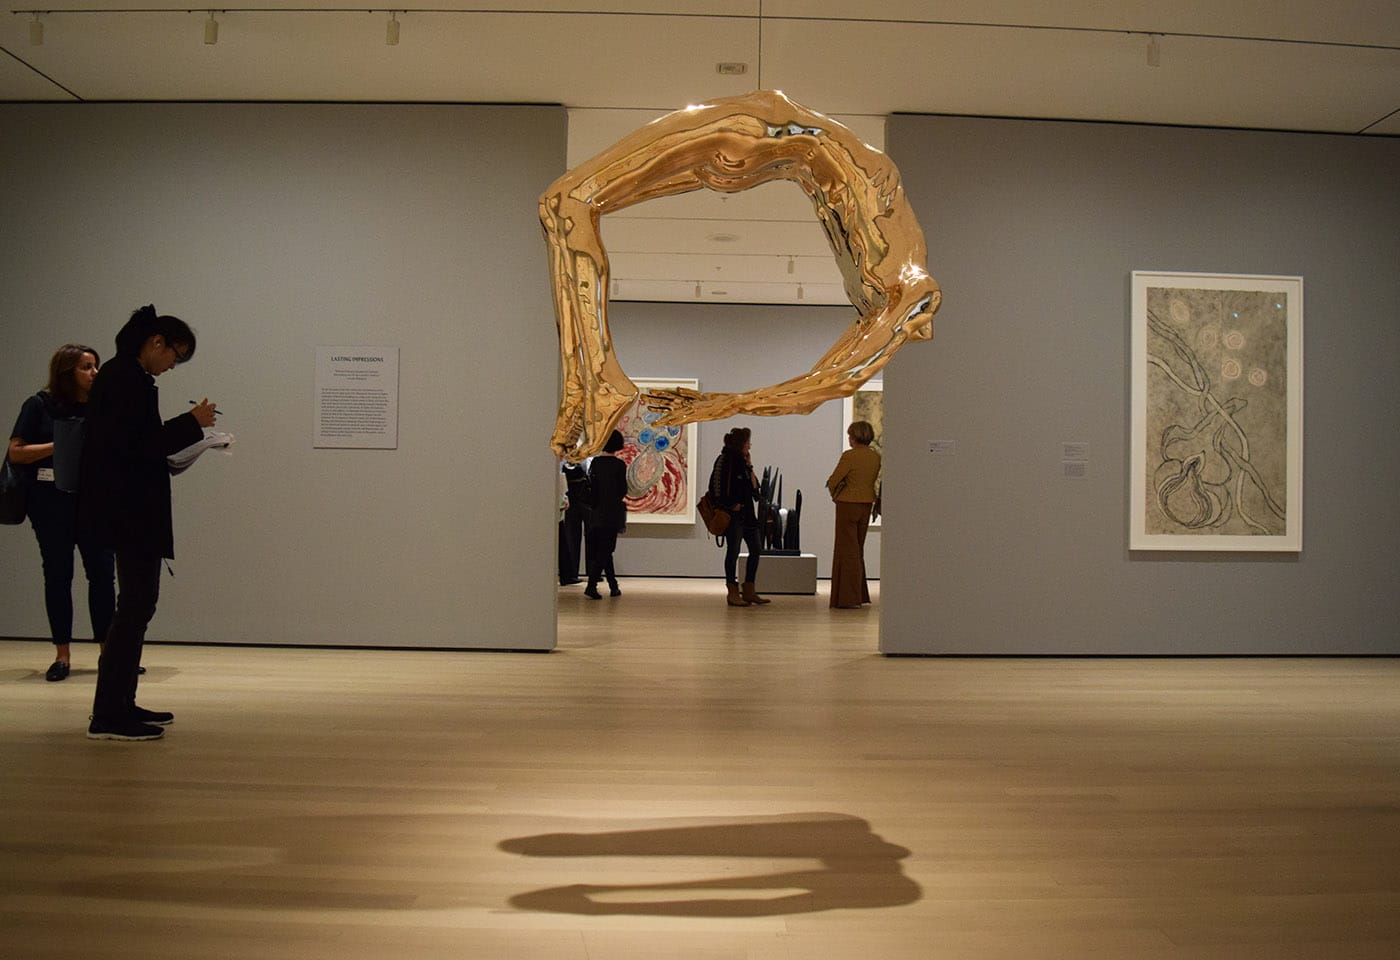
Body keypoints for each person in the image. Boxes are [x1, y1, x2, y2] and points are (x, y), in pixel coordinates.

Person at [78, 305, 217, 741]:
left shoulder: (131, 379)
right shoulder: (125, 379)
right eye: (175, 355)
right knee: (134, 608)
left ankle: (122, 703)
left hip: (132, 512)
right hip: (129, 514)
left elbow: (137, 444)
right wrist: (191, 425)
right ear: (156, 342)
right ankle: (108, 715)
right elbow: (138, 445)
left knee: (138, 608)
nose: (173, 366)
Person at [8, 344, 116, 682]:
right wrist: (61, 444)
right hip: (50, 501)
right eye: (86, 367)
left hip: (93, 501)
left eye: (95, 366)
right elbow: (16, 453)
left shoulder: (102, 407)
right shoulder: (39, 405)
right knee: (58, 576)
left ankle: (109, 654)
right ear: (67, 372)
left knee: (102, 575)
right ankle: (62, 655)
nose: (94, 373)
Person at [710, 426, 769, 607]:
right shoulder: (723, 461)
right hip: (733, 516)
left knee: (756, 549)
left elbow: (755, 490)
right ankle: (732, 591)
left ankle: (749, 589)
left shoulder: (743, 463)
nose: (749, 447)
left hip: (748, 515)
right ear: (740, 444)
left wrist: (750, 465)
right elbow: (715, 488)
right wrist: (729, 506)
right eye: (747, 443)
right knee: (733, 551)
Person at [826, 420, 882, 609]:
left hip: (847, 505)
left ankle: (847, 598)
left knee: (846, 551)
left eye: (850, 436)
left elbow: (834, 480)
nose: (849, 439)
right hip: (866, 504)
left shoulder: (849, 456)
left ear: (855, 437)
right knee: (857, 550)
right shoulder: (875, 457)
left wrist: (835, 495)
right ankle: (858, 594)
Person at [583, 430, 627, 600]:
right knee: (606, 549)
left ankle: (613, 586)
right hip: (612, 512)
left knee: (604, 550)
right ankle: (591, 585)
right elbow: (622, 490)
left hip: (596, 511)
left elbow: (591, 488)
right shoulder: (619, 465)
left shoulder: (595, 463)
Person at [558, 461, 590, 585]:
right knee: (573, 537)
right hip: (580, 500)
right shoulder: (583, 461)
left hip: (575, 500)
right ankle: (572, 573)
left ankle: (575, 572)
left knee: (574, 537)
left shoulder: (565, 462)